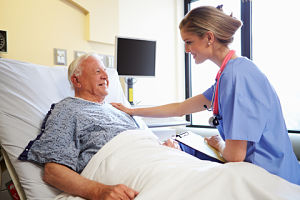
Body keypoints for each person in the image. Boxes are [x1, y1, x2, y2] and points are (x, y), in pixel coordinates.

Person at [111, 5, 300, 185]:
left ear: (209, 37)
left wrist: (219, 143)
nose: (186, 50)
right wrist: (132, 111)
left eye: (189, 42)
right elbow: (180, 108)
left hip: (272, 180)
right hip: (274, 171)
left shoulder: (236, 76)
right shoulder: (230, 73)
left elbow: (235, 156)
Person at [18, 53, 140, 200]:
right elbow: (53, 172)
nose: (105, 77)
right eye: (97, 71)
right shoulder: (68, 110)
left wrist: (161, 146)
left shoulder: (119, 110)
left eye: (105, 72)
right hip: (127, 172)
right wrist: (99, 191)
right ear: (77, 80)